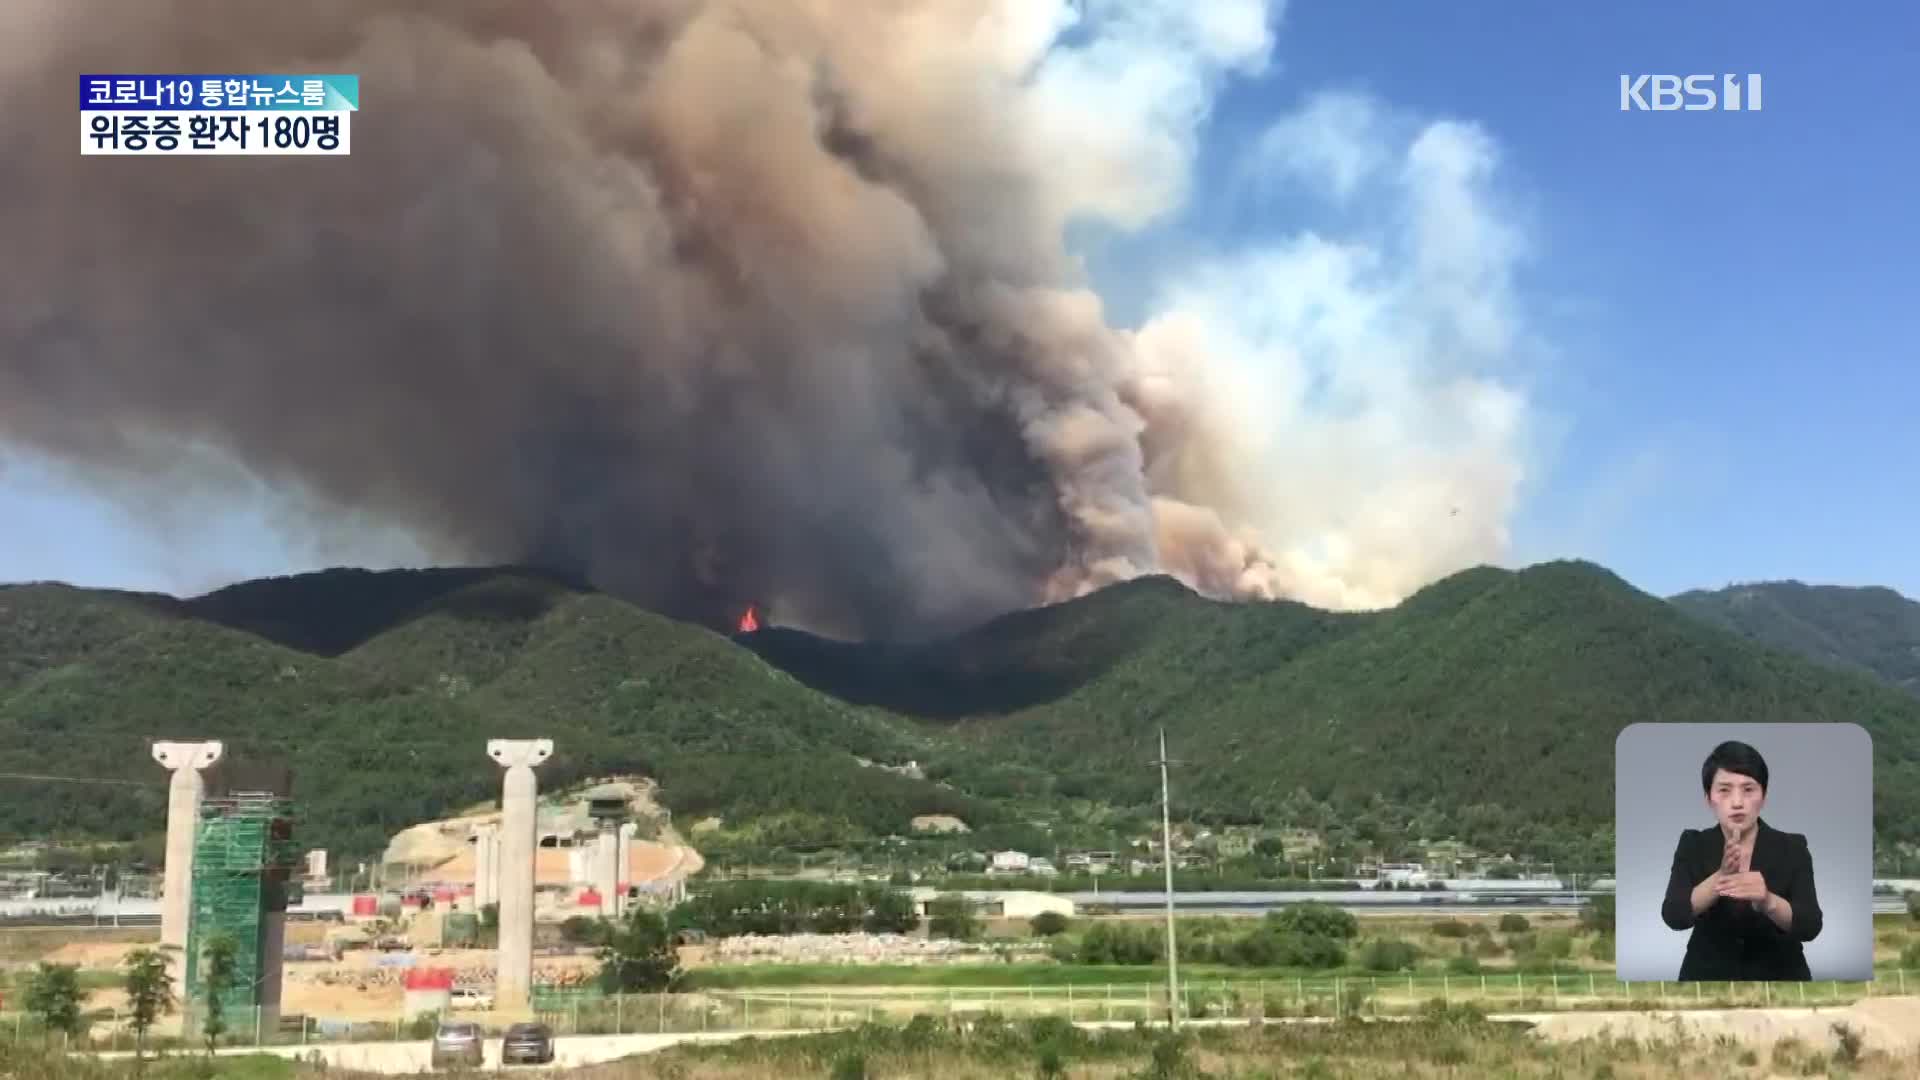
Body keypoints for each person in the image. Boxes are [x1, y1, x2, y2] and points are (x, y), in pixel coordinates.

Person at [1661, 740, 1822, 980]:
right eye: (1724, 790)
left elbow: (1810, 926)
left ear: (1763, 796)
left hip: (1781, 977)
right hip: (1705, 979)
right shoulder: (1693, 844)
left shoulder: (1793, 848)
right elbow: (1674, 915)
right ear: (1709, 799)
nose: (1737, 802)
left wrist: (1767, 900)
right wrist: (1720, 877)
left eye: (1748, 789)